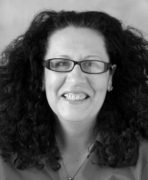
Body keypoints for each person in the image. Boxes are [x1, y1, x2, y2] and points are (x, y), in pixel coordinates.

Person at [0, 10, 148, 180]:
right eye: (61, 63)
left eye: (91, 63)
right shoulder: (3, 158)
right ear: (41, 76)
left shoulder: (144, 159)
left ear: (110, 77)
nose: (76, 79)